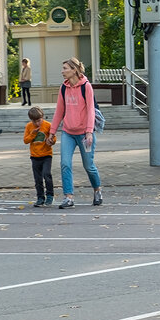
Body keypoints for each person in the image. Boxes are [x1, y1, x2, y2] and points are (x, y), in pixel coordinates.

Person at [48, 57, 102, 209]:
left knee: (89, 166)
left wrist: (89, 132)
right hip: (68, 133)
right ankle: (68, 197)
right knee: (65, 164)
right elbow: (59, 111)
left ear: (74, 70)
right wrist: (52, 132)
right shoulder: (63, 88)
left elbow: (91, 109)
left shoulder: (86, 86)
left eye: (65, 68)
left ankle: (97, 190)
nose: (62, 71)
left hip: (85, 134)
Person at [24, 106, 55, 207]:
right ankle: (40, 197)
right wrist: (32, 134)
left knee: (47, 174)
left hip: (46, 155)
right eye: (35, 121)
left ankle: (50, 195)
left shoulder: (48, 125)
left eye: (39, 120)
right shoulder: (29, 127)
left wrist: (51, 141)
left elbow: (53, 138)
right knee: (38, 178)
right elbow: (25, 140)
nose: (37, 123)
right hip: (35, 156)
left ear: (43, 117)